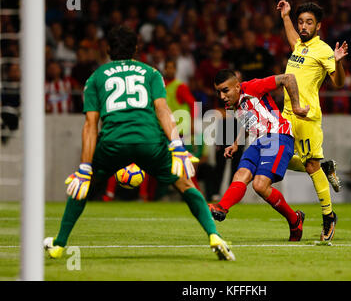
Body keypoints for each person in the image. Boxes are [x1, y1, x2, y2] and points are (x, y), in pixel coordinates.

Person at [43, 26, 235, 261]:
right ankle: (214, 236)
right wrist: (176, 144)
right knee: (186, 185)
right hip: (150, 141)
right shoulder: (151, 73)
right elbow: (163, 110)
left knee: (81, 186)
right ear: (135, 49)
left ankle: (60, 244)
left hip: (113, 142)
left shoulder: (96, 77)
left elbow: (90, 125)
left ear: (107, 50)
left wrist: (85, 167)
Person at [208, 69, 310, 241]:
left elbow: (288, 78)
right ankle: (222, 208)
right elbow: (248, 121)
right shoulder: (231, 104)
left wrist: (296, 107)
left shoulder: (253, 87)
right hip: (258, 142)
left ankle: (294, 219)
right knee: (240, 175)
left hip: (278, 136)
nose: (222, 96)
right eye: (218, 92)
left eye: (225, 90)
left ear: (238, 86)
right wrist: (235, 143)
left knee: (260, 185)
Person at [276, 0, 348, 241]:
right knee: (280, 157)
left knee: (310, 166)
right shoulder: (299, 46)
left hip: (307, 116)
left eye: (309, 22)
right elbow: (292, 39)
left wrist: (338, 61)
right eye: (301, 22)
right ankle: (325, 167)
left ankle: (329, 216)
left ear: (318, 25)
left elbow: (339, 83)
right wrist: (286, 16)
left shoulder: (324, 50)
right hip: (287, 114)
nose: (303, 26)